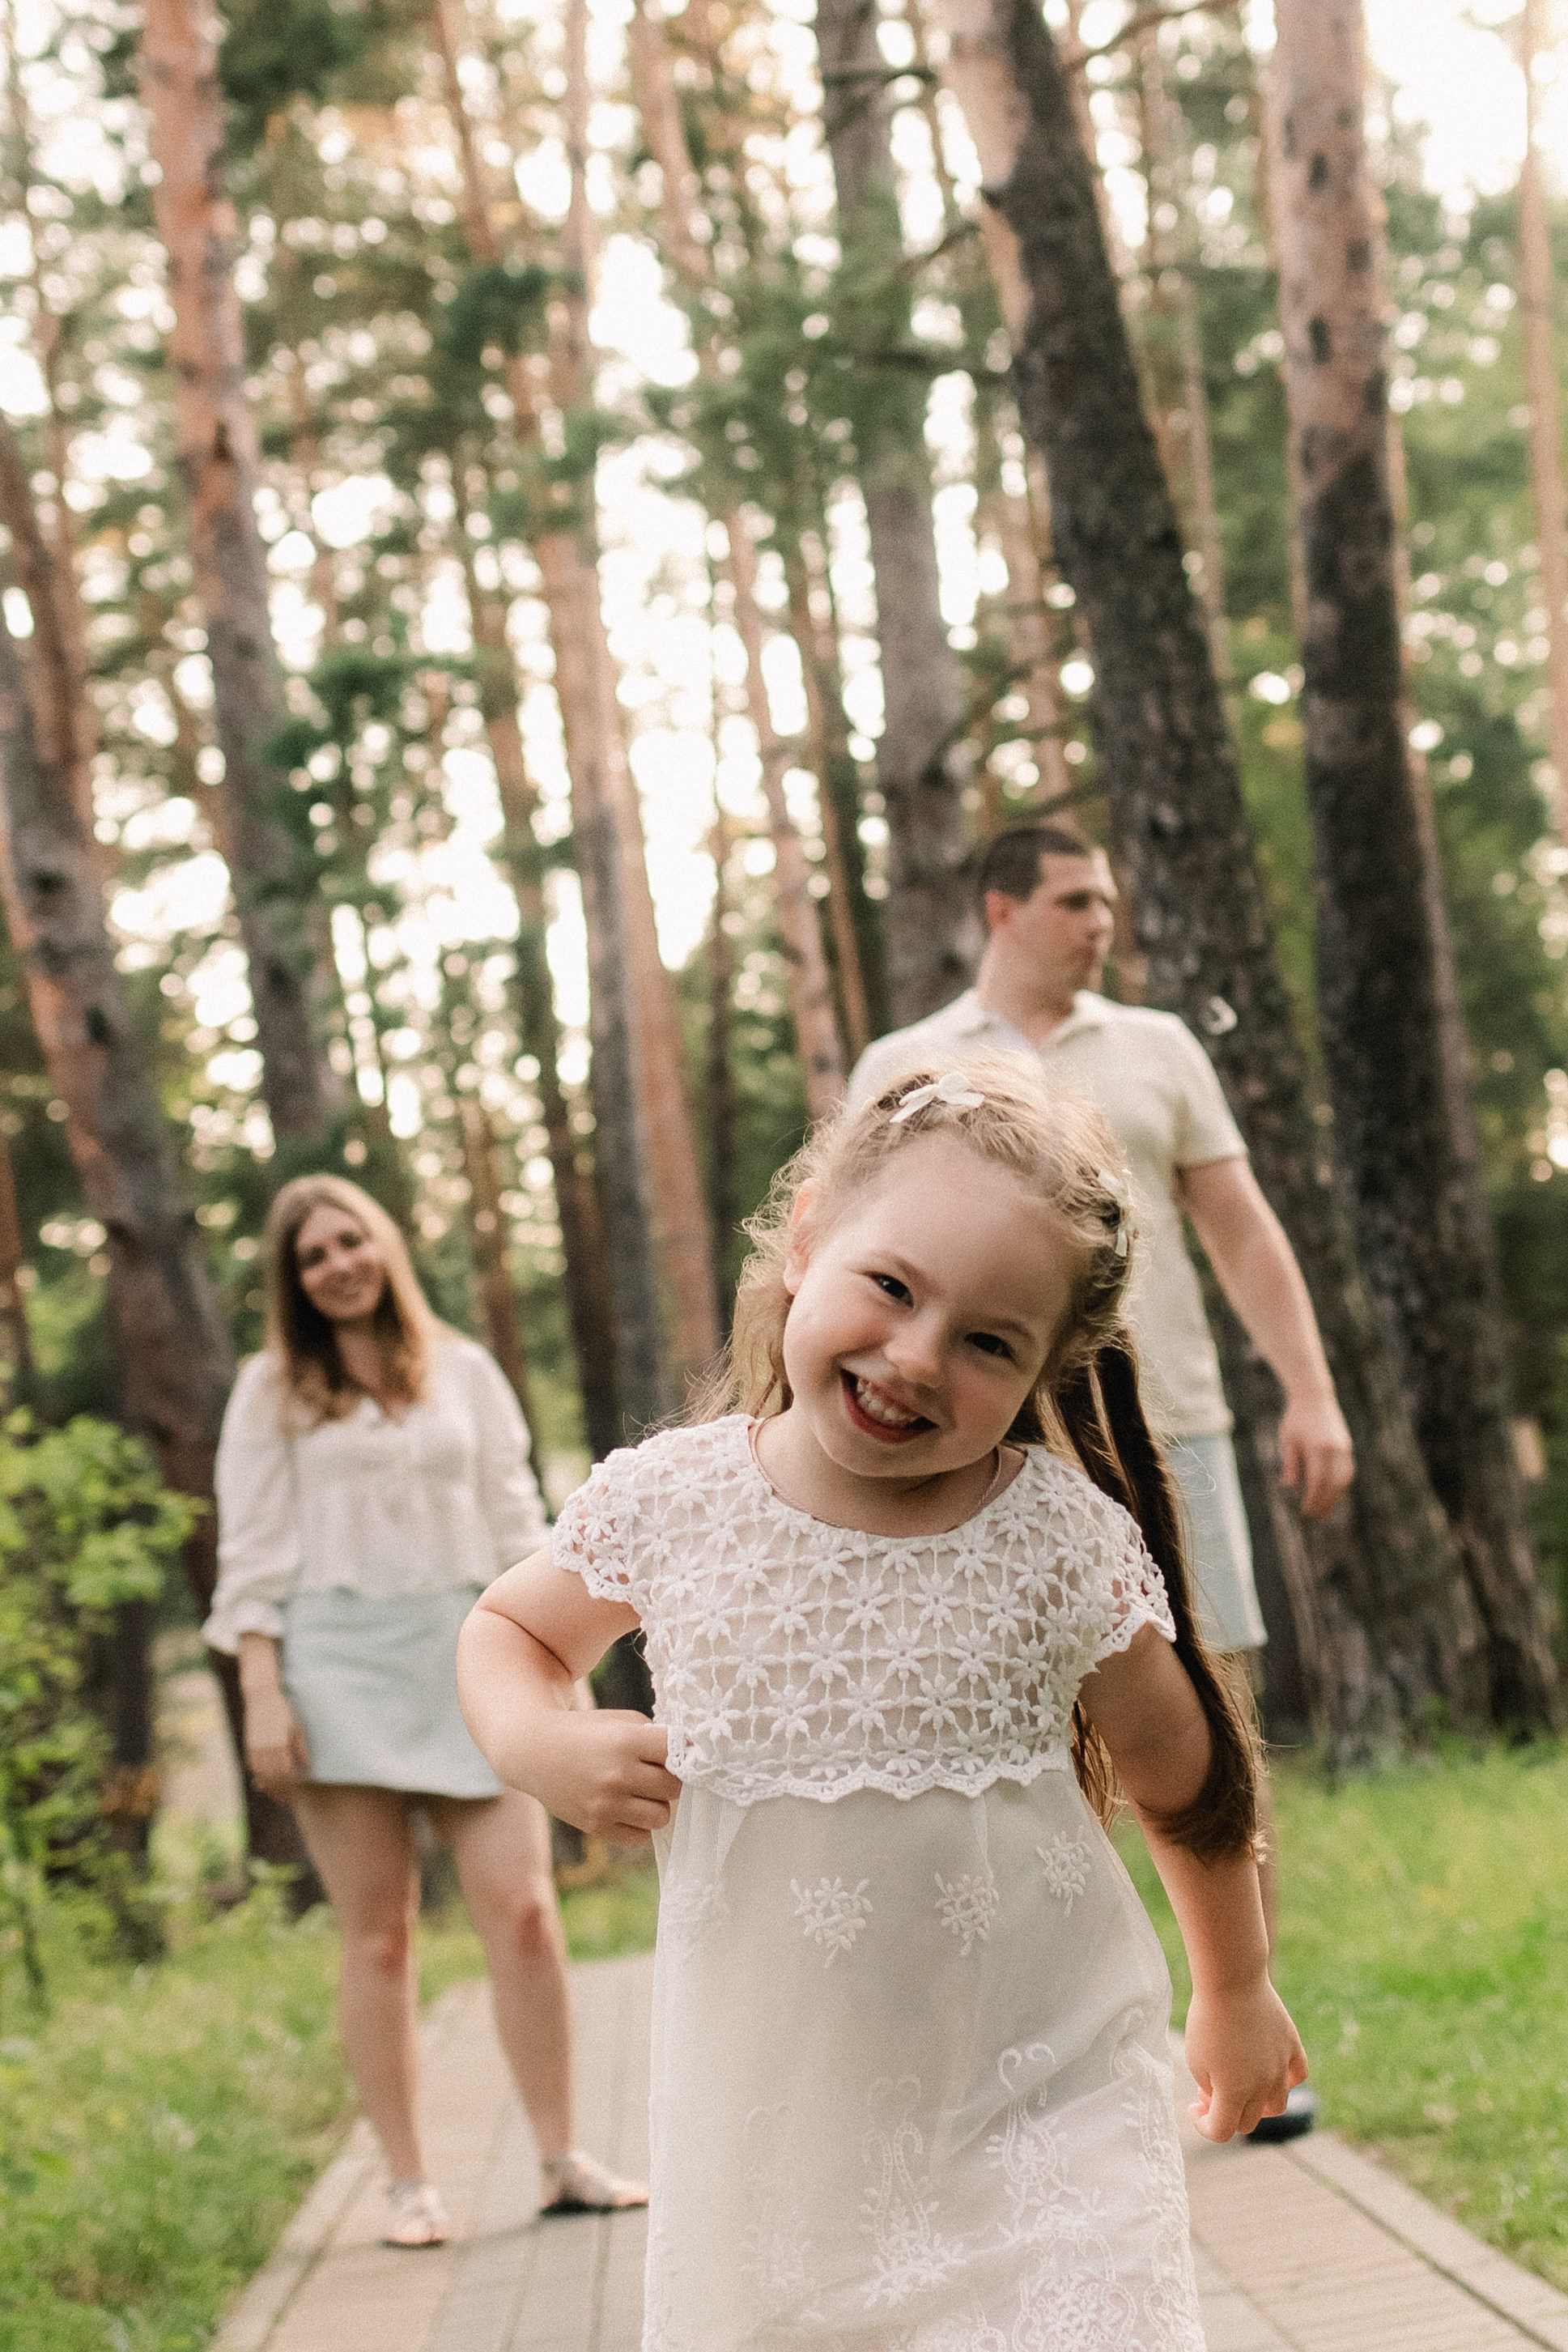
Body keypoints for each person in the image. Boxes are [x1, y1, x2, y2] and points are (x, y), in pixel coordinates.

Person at [457, 1060, 1306, 2348]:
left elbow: (1180, 1775)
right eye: (892, 1287)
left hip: (1045, 2105)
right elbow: (508, 1630)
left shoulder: (1055, 1543)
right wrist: (542, 1739)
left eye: (985, 1341)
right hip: (784, 2149)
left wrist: (1233, 1985)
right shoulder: (673, 1505)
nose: (915, 1358)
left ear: (1042, 1369)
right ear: (806, 1241)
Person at [849, 822, 1354, 1951]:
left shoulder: (1158, 1047)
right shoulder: (903, 1061)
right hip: (973, 1437)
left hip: (1168, 1425)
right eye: (1076, 901)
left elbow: (1240, 1230)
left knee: (1211, 1721)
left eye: (1107, 904)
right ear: (1000, 910)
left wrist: (1310, 1390)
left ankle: (1243, 2011)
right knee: (1006, 1722)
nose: (1100, 925)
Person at [204, 1174, 645, 2248]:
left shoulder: (465, 1368)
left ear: (383, 1244)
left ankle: (560, 2155)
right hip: (335, 1671)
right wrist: (262, 1688)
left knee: (526, 1907)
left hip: (470, 1653)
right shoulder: (270, 1390)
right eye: (313, 1256)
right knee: (380, 1935)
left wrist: (556, 1670)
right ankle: (407, 2184)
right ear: (294, 1281)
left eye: (350, 1240)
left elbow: (515, 1518)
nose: (338, 1265)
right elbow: (251, 1548)